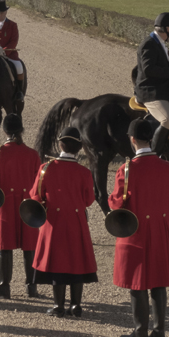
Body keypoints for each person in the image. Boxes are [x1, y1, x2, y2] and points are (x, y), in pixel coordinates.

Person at [109, 118, 169, 337]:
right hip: (160, 228)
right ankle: (159, 332)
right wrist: (166, 226)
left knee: (137, 283)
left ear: (132, 140)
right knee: (158, 281)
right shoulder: (168, 168)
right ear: (150, 138)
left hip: (135, 230)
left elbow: (117, 204)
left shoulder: (126, 169)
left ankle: (140, 332)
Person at [30, 127, 97, 317]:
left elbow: (36, 196)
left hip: (53, 220)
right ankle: (75, 304)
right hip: (76, 220)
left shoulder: (45, 168)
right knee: (76, 260)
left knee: (57, 262)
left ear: (60, 144)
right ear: (79, 147)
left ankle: (59, 305)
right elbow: (89, 200)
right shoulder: (84, 172)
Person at [0, 113, 42, 299]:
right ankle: (32, 287)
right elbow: (38, 181)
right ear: (21, 129)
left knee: (4, 247)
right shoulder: (32, 154)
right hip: (27, 204)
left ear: (4, 130)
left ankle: (4, 287)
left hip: (5, 203)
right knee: (29, 246)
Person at [134, 11, 169, 156]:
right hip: (149, 91)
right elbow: (148, 69)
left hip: (160, 87)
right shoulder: (149, 44)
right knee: (168, 120)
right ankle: (152, 154)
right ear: (168, 29)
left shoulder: (159, 42)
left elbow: (163, 67)